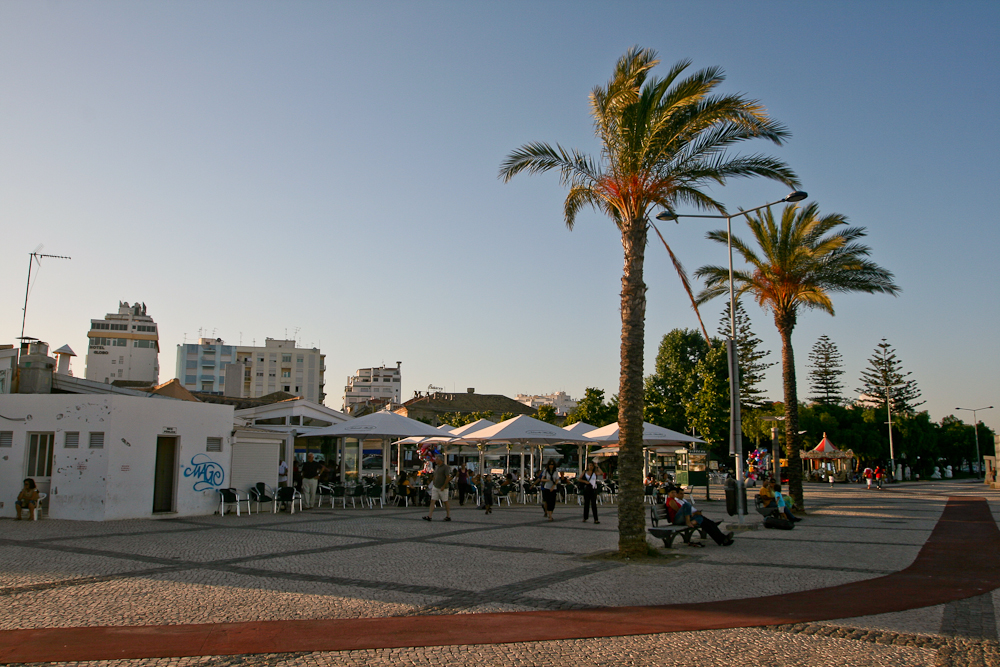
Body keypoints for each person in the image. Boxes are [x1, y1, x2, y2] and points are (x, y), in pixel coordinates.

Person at [667, 487, 733, 546]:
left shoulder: (677, 500)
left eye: (674, 492)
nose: (674, 494)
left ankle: (722, 539)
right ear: (668, 493)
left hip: (685, 517)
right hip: (678, 520)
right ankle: (721, 539)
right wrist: (691, 515)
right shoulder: (671, 501)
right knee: (688, 505)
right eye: (672, 493)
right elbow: (679, 511)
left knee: (708, 522)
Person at [423, 455, 452, 521]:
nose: (435, 460)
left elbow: (447, 477)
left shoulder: (445, 467)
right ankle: (429, 516)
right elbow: (435, 475)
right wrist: (433, 482)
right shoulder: (436, 467)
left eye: (436, 459)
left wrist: (444, 486)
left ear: (440, 460)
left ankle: (448, 516)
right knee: (433, 500)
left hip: (443, 487)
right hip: (436, 486)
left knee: (445, 501)